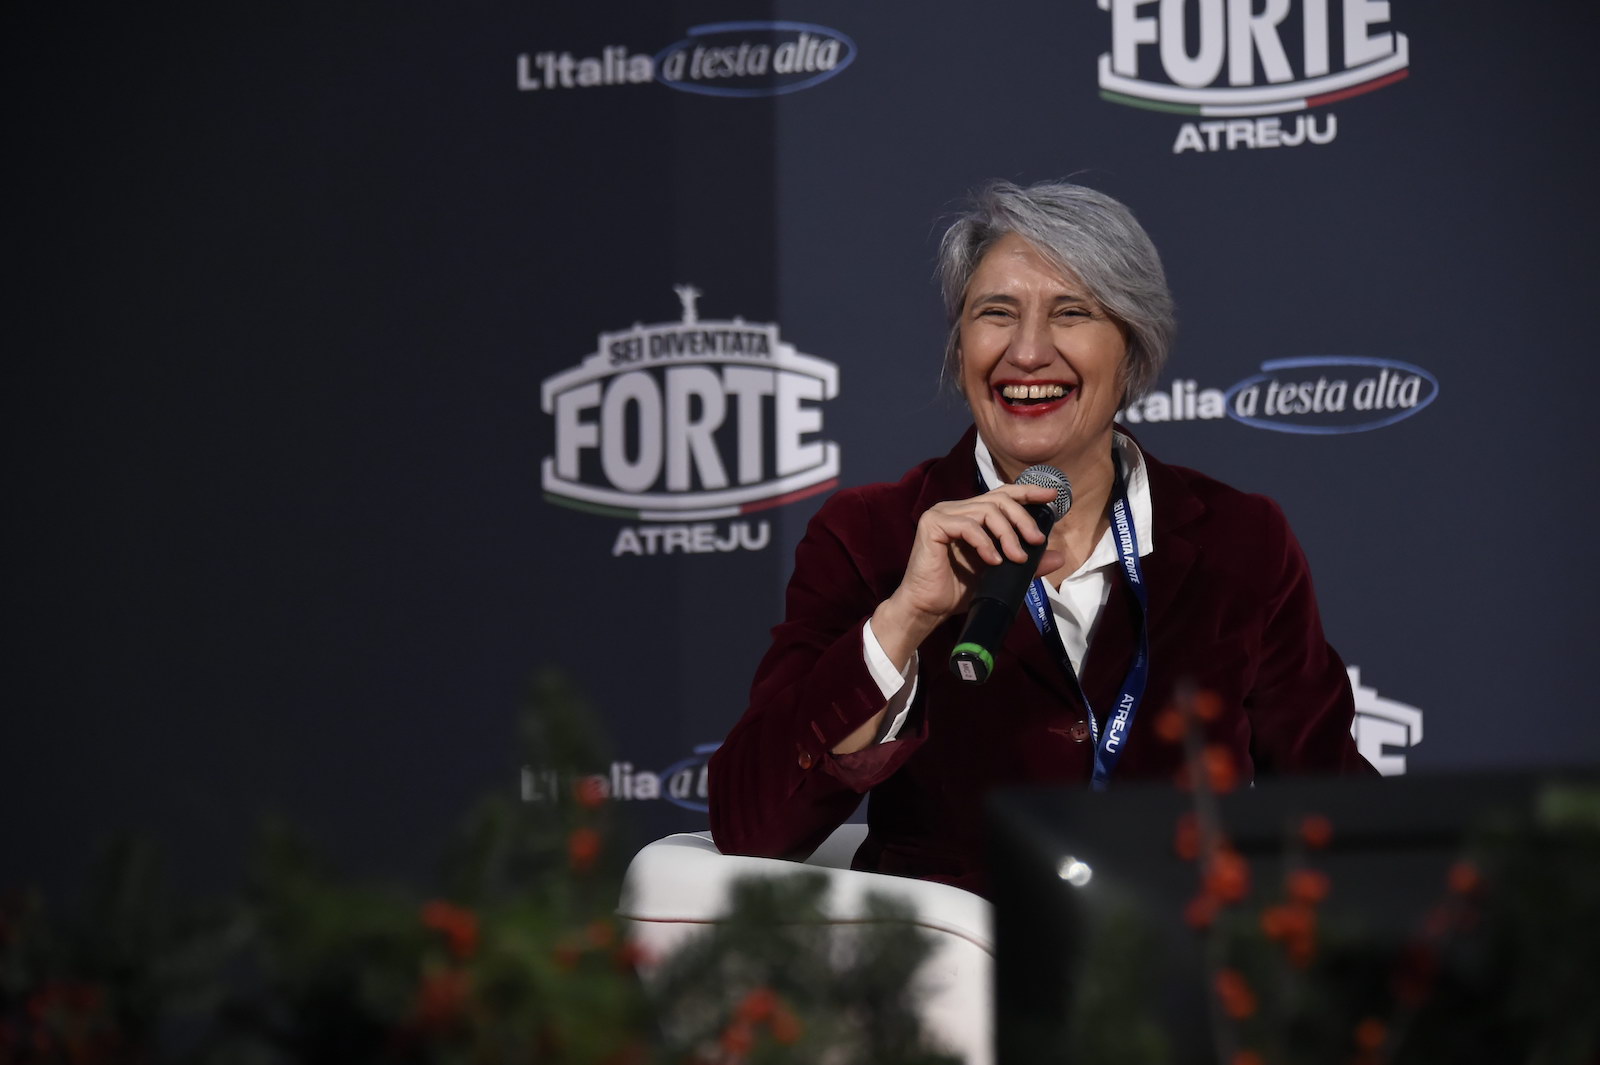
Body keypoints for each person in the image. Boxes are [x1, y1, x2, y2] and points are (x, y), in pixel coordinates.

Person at [708, 180, 1375, 897]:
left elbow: (1332, 804)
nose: (1026, 352)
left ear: (1132, 349)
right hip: (957, 958)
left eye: (1071, 312)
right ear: (959, 347)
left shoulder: (1242, 540)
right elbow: (752, 827)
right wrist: (904, 620)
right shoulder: (870, 534)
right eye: (996, 313)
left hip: (1176, 952)